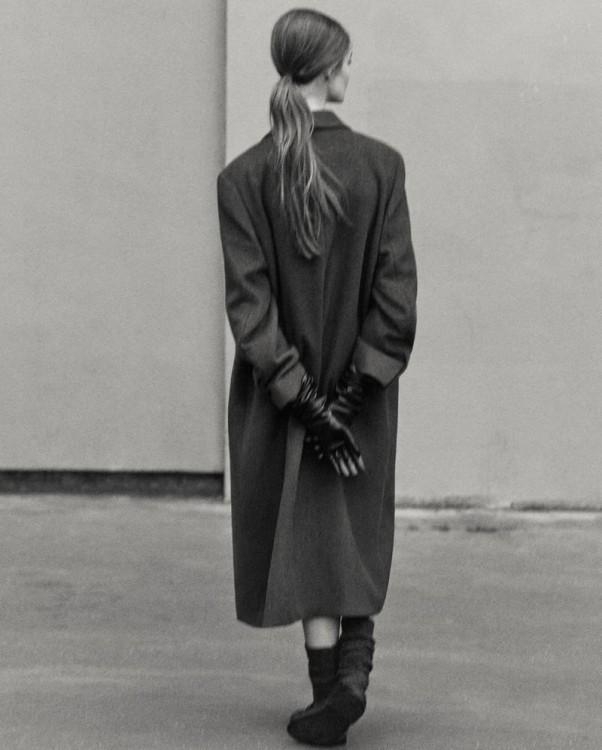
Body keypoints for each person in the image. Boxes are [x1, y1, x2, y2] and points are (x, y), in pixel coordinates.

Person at [217, 8, 417, 746]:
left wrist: (306, 405)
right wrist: (352, 396)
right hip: (362, 390)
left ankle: (332, 690)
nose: (350, 72)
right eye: (347, 61)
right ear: (329, 70)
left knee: (307, 535)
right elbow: (395, 298)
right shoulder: (382, 166)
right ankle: (346, 685)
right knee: (350, 527)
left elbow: (251, 310)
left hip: (284, 397)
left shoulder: (242, 177)